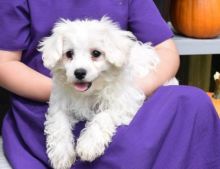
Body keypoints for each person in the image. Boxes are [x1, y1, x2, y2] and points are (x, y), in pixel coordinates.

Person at [0, 0, 219, 169]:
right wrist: (61, 93)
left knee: (194, 102)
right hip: (48, 99)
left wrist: (138, 89)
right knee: (130, 145)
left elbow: (165, 50)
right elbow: (4, 63)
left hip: (120, 88)